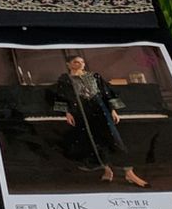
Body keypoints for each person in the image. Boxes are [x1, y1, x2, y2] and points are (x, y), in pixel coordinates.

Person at [52, 54, 148, 188]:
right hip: (82, 113)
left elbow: (106, 92)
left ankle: (129, 173)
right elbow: (61, 96)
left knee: (114, 140)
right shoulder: (65, 80)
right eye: (76, 62)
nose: (80, 64)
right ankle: (107, 170)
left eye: (82, 62)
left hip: (101, 110)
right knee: (94, 142)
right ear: (68, 64)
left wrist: (112, 110)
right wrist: (67, 113)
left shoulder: (95, 76)